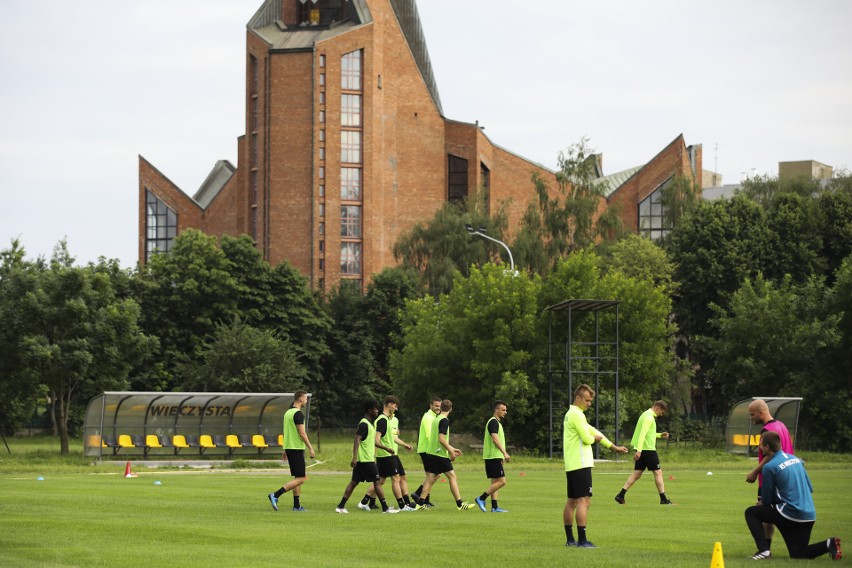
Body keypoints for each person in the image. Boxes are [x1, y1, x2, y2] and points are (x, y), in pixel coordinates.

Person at [744, 431, 842, 560]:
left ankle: (764, 551)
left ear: (767, 447)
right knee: (798, 553)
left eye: (760, 445)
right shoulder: (796, 460)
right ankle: (829, 544)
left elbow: (767, 500)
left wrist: (764, 503)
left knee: (751, 512)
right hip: (808, 515)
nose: (760, 448)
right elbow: (810, 488)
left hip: (790, 514)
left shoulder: (769, 467)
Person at [562, 384, 628, 548]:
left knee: (572, 502)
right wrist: (595, 441)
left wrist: (613, 447)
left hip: (572, 464)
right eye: (587, 400)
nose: (589, 404)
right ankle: (582, 541)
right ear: (578, 398)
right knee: (584, 501)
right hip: (581, 463)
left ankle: (571, 540)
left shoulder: (572, 414)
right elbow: (588, 438)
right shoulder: (577, 415)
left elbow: (595, 431)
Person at [745, 399, 794, 553]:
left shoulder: (767, 430)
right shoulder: (782, 426)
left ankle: (764, 549)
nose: (751, 418)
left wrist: (755, 471)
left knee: (761, 513)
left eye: (752, 415)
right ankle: (769, 547)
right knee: (772, 514)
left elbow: (770, 455)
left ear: (761, 413)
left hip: (770, 479)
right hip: (786, 477)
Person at [335, 401, 399, 514]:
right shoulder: (364, 424)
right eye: (375, 409)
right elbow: (356, 439)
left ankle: (340, 506)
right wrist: (354, 457)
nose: (377, 411)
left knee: (354, 482)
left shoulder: (369, 424)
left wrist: (386, 448)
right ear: (369, 411)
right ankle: (385, 508)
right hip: (365, 460)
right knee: (377, 482)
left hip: (364, 460)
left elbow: (372, 441)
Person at [413, 399, 474, 510]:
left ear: (441, 407)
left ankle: (420, 504)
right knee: (452, 476)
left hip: (432, 452)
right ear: (451, 409)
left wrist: (452, 448)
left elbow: (439, 439)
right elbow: (441, 439)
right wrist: (451, 451)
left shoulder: (436, 419)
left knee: (431, 478)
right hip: (439, 454)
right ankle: (460, 504)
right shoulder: (444, 420)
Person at [359, 396, 416, 512]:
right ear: (389, 404)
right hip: (386, 455)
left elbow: (392, 438)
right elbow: (376, 439)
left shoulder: (388, 420)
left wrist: (404, 445)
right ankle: (402, 506)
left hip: (390, 455)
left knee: (382, 480)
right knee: (395, 478)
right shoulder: (382, 420)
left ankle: (364, 502)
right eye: (395, 405)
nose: (396, 408)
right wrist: (386, 448)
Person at [614, 400, 672, 505]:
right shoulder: (649, 418)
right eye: (662, 412)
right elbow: (642, 434)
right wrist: (639, 451)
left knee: (637, 473)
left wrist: (660, 435)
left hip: (643, 449)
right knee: (658, 472)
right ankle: (663, 499)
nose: (661, 415)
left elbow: (649, 434)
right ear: (658, 408)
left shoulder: (645, 415)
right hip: (648, 450)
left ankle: (621, 495)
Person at [268, 390, 315, 512]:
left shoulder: (288, 413)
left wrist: (285, 449)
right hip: (296, 448)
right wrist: (311, 447)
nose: (306, 400)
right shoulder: (298, 414)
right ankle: (275, 495)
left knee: (297, 478)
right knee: (302, 478)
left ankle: (297, 506)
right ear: (300, 399)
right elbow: (302, 433)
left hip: (290, 448)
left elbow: (286, 432)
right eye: (305, 398)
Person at [475, 400, 510, 513]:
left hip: (495, 457)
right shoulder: (493, 422)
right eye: (503, 410)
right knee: (502, 482)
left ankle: (494, 507)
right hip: (492, 457)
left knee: (495, 482)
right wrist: (504, 453)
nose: (505, 412)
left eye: (506, 410)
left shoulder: (496, 423)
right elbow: (495, 439)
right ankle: (481, 498)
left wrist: (501, 456)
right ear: (496, 410)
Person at [411, 396, 442, 507]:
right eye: (436, 406)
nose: (438, 408)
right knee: (432, 475)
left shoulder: (434, 416)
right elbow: (430, 436)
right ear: (431, 405)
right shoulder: (428, 417)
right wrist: (437, 450)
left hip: (429, 450)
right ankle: (421, 496)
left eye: (440, 406)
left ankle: (421, 495)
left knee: (432, 475)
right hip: (427, 450)